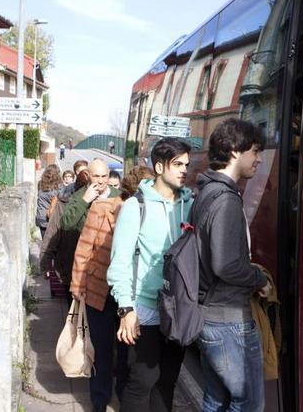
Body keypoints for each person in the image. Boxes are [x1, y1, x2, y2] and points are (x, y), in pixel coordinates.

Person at [107, 138, 194, 412]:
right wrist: (126, 309)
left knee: (167, 381)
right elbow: (119, 262)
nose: (184, 170)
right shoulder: (136, 206)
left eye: (186, 165)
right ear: (159, 166)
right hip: (144, 308)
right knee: (143, 380)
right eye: (177, 164)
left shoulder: (191, 205)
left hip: (178, 308)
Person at [196, 118, 271, 412]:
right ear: (235, 151)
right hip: (228, 322)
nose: (260, 159)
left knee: (216, 399)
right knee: (248, 402)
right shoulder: (226, 199)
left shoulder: (206, 191)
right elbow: (226, 265)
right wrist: (258, 279)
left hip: (209, 316)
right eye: (255, 151)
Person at [70, 175, 124, 412]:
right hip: (98, 289)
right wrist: (76, 286)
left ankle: (124, 395)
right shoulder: (101, 209)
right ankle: (100, 400)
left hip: (128, 295)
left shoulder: (147, 213)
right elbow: (83, 249)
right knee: (101, 349)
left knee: (125, 352)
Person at [39, 169, 91, 305]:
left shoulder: (102, 202)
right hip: (69, 265)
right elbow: (52, 233)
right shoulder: (64, 203)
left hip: (91, 269)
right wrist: (45, 263)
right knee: (73, 308)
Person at [60, 159, 121, 233]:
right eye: (96, 176)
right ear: (88, 175)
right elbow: (65, 224)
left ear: (108, 174)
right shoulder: (78, 196)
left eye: (104, 176)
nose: (101, 181)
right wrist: (84, 201)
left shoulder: (118, 195)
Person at [35, 164, 62, 239]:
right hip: (52, 219)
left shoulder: (40, 184)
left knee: (45, 242)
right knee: (52, 245)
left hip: (40, 217)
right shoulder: (58, 187)